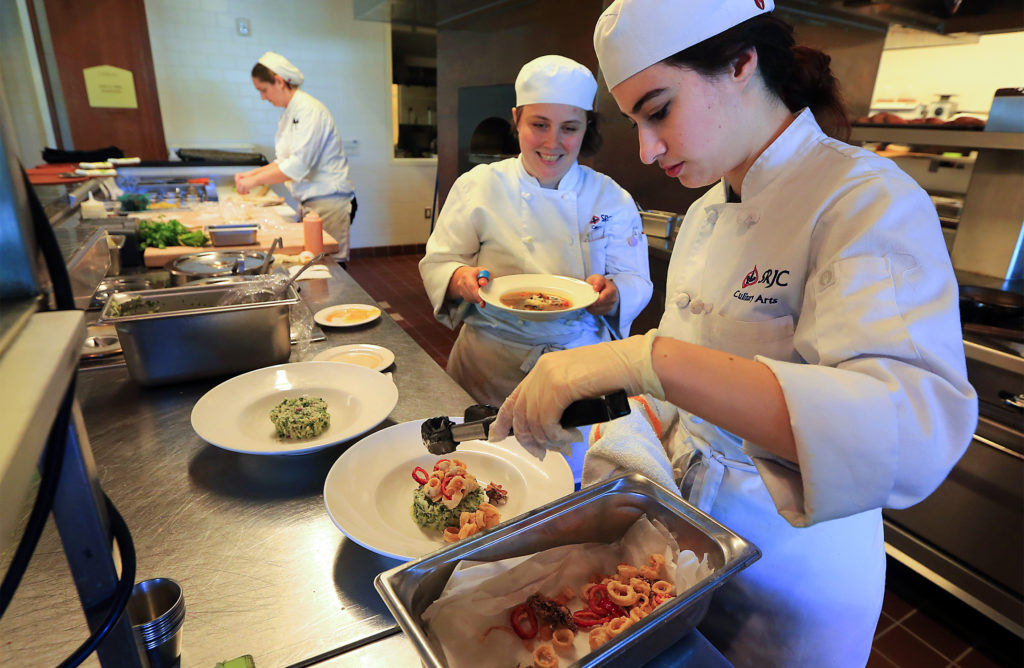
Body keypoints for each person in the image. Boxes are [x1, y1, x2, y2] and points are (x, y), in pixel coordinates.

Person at [491, 1, 978, 666]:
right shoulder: (703, 213)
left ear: (741, 63)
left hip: (791, 572)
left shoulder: (863, 200)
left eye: (659, 110)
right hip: (683, 548)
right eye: (635, 121)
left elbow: (913, 436)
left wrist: (642, 359)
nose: (647, 148)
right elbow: (683, 383)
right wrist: (623, 427)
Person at [419, 55, 653, 407]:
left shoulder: (610, 197)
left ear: (586, 127)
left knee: (570, 461)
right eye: (539, 125)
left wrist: (614, 294)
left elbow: (635, 279)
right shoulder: (479, 185)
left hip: (579, 363)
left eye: (569, 128)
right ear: (516, 119)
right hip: (490, 361)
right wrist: (460, 278)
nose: (552, 142)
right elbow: (439, 261)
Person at [235, 52, 357, 262]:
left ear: (279, 82)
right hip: (312, 202)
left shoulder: (309, 110)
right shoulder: (290, 112)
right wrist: (251, 174)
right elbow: (283, 161)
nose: (263, 97)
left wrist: (253, 181)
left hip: (329, 202)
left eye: (263, 90)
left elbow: (298, 166)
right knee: (314, 262)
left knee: (329, 266)